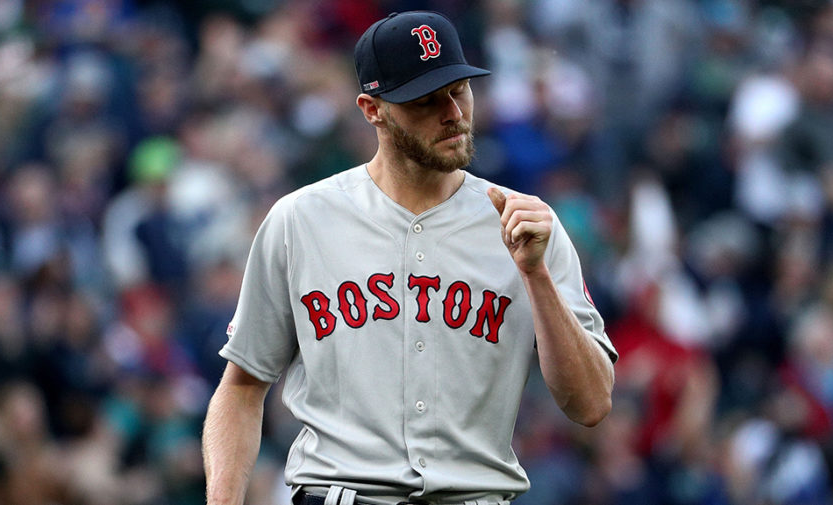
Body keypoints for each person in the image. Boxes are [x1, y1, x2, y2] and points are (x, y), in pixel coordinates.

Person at [202, 10, 618, 505]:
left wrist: (537, 277)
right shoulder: (300, 220)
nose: (453, 114)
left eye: (459, 90)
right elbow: (243, 385)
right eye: (425, 101)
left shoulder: (526, 225)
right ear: (372, 109)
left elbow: (591, 404)